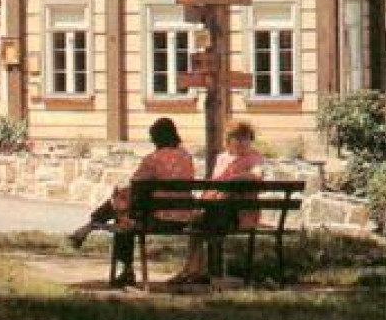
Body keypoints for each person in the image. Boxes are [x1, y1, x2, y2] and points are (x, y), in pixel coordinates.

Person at [67, 117, 194, 288]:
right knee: (124, 209)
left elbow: (136, 184)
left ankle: (95, 231)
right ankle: (89, 227)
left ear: (156, 138)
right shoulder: (186, 156)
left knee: (123, 216)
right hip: (184, 217)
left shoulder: (153, 159)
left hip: (159, 219)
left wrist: (118, 196)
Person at [168, 120, 266, 285]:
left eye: (246, 138)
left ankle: (194, 269)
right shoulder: (221, 158)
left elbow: (257, 175)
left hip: (240, 214)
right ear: (228, 140)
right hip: (219, 210)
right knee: (197, 222)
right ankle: (195, 269)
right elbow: (215, 185)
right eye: (238, 138)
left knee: (200, 222)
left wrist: (236, 177)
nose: (242, 142)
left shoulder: (254, 157)